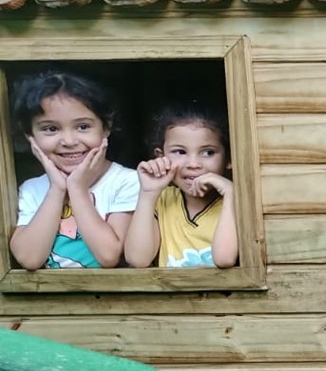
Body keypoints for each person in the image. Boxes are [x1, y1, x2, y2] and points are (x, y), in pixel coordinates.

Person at [9, 71, 138, 270]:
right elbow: (29, 259)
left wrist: (77, 189)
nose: (69, 142)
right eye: (51, 129)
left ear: (106, 127)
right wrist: (57, 189)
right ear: (30, 135)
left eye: (83, 126)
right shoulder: (33, 188)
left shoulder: (126, 181)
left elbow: (109, 255)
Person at [124, 103, 239, 268]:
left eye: (208, 152)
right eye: (180, 152)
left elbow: (224, 259)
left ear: (228, 159)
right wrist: (148, 194)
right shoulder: (163, 199)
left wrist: (230, 194)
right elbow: (137, 259)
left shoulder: (234, 203)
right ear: (161, 156)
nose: (193, 164)